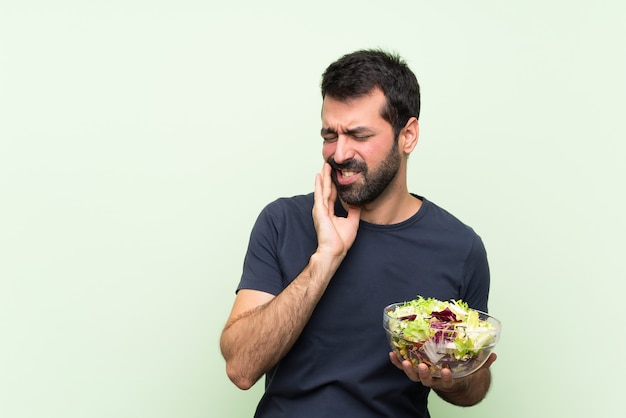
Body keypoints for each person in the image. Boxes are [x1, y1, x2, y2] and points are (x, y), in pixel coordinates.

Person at [220, 49, 496, 417]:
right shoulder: (282, 221)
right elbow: (240, 367)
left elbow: (475, 385)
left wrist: (450, 377)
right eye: (329, 135)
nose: (339, 152)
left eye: (358, 134)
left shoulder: (460, 247)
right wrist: (325, 259)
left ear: (408, 135)